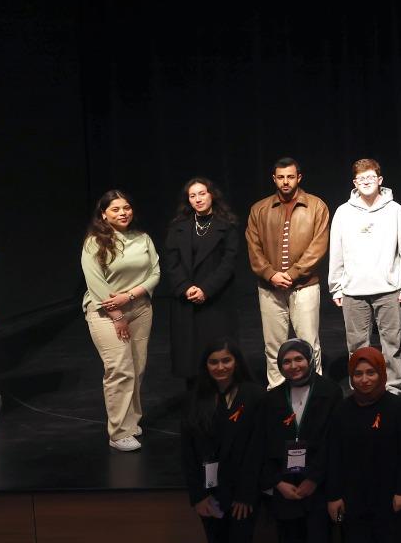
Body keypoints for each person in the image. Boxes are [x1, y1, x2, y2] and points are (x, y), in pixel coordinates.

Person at [180, 338, 264, 543]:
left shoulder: (254, 395)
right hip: (211, 495)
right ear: (206, 366)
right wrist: (198, 497)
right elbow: (188, 452)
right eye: (213, 362)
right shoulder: (195, 398)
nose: (220, 367)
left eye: (226, 360)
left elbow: (257, 451)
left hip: (242, 495)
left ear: (236, 362)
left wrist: (246, 495)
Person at [259, 338, 340, 543]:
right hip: (285, 489)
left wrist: (313, 479)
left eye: (299, 359)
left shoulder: (330, 392)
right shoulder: (271, 399)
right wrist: (277, 483)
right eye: (286, 361)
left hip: (317, 488)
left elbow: (333, 441)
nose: (293, 366)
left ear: (309, 360)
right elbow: (263, 445)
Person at [326, 346, 401, 543]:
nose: (364, 379)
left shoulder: (396, 407)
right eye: (358, 374)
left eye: (371, 373)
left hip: (389, 499)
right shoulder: (342, 410)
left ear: (381, 373)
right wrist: (334, 495)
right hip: (353, 501)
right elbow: (334, 455)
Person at [80, 189, 159, 452]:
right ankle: (118, 432)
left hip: (140, 309)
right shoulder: (94, 242)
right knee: (119, 369)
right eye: (115, 209)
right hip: (106, 312)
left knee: (137, 368)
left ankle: (130, 421)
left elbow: (155, 273)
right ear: (104, 214)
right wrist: (118, 315)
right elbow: (95, 283)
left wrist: (131, 295)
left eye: (126, 208)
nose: (123, 213)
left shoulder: (142, 238)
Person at [330, 158, 401, 395]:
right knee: (357, 346)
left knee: (392, 345)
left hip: (389, 290)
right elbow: (336, 252)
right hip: (353, 291)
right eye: (361, 178)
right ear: (354, 183)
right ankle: (361, 390)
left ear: (380, 180)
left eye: (370, 177)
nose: (366, 182)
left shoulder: (395, 210)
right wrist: (336, 286)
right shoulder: (343, 212)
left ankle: (393, 390)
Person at [245, 157, 331, 390]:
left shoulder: (316, 206)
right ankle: (277, 391)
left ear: (299, 178)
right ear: (274, 179)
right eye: (281, 177)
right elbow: (253, 247)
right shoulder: (259, 209)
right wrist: (270, 274)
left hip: (305, 285)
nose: (285, 182)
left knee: (309, 344)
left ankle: (315, 391)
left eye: (290, 177)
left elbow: (318, 247)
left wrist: (293, 273)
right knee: (273, 345)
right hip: (270, 287)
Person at [163, 177, 242, 382]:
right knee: (189, 357)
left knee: (217, 352)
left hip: (216, 298)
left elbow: (228, 263)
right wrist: (186, 287)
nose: (198, 199)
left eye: (202, 194)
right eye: (192, 196)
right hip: (186, 299)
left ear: (211, 195)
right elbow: (171, 261)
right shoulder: (178, 226)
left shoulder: (227, 225)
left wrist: (205, 289)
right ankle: (194, 398)